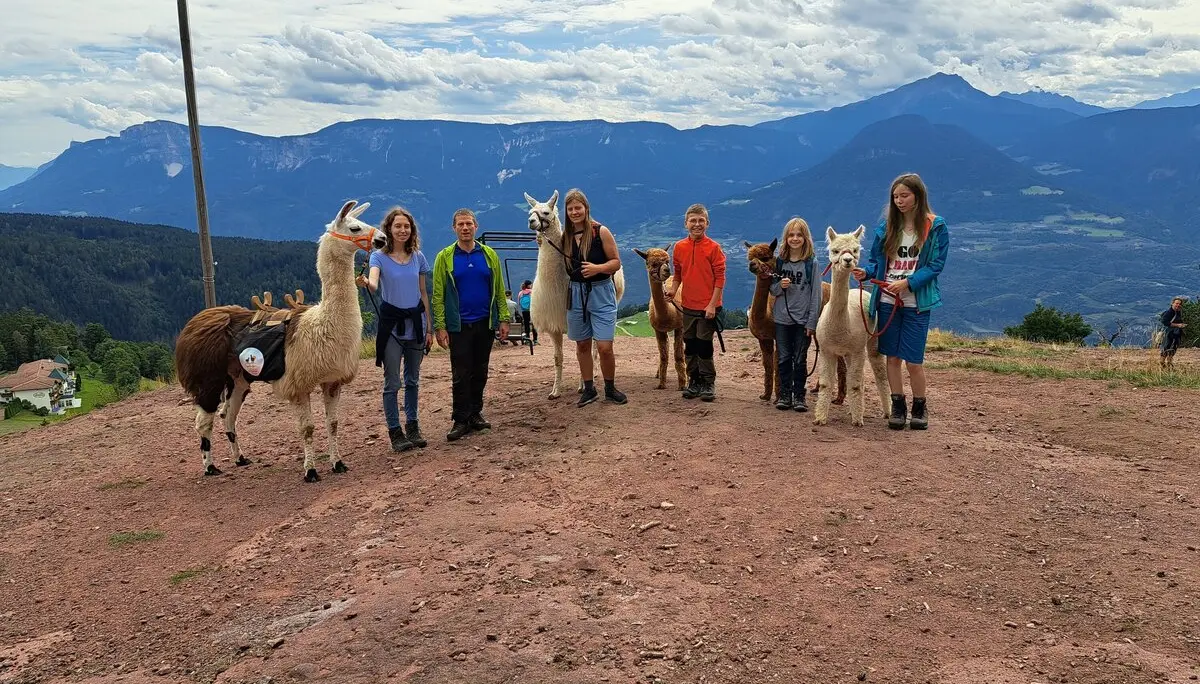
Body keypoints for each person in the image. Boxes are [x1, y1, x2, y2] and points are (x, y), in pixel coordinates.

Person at [852, 172, 949, 430]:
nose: (899, 201)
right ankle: (898, 406)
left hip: (916, 301)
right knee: (892, 357)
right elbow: (877, 262)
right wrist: (867, 273)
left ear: (918, 196)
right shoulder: (887, 229)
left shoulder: (935, 226)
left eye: (904, 195)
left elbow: (936, 264)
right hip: (886, 300)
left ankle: (920, 406)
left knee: (914, 360)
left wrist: (908, 283)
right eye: (895, 196)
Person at [355, 206, 432, 452]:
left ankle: (413, 425)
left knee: (413, 379)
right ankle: (395, 431)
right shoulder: (378, 257)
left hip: (416, 324)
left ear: (412, 230)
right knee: (392, 382)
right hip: (392, 327)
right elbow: (375, 283)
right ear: (389, 229)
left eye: (406, 226)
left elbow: (423, 292)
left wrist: (429, 326)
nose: (402, 230)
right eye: (397, 226)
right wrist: (367, 281)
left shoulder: (418, 257)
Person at [431, 209, 510, 441]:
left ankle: (476, 412)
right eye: (460, 224)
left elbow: (498, 288)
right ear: (453, 228)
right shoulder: (444, 257)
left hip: (484, 323)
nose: (465, 228)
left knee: (480, 371)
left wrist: (503, 318)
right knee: (461, 373)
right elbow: (438, 294)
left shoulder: (488, 255)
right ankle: (460, 418)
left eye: (469, 224)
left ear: (476, 226)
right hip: (459, 325)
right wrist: (440, 325)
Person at [561, 188, 627, 406]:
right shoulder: (566, 237)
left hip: (601, 291)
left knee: (604, 346)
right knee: (582, 344)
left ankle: (610, 387)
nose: (574, 212)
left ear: (586, 208)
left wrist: (598, 268)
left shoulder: (601, 232)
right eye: (570, 209)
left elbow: (615, 262)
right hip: (576, 293)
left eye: (577, 208)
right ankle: (589, 388)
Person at [664, 203, 726, 402]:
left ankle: (708, 382)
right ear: (686, 224)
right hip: (688, 306)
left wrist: (712, 305)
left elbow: (720, 279)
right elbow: (678, 274)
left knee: (704, 344)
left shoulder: (714, 248)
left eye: (701, 221)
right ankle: (694, 380)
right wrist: (673, 291)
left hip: (708, 308)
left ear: (707, 223)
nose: (697, 224)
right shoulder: (680, 247)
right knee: (689, 344)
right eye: (693, 221)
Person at [770, 217, 822, 412]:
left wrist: (812, 322)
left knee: (800, 358)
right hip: (782, 318)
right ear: (786, 237)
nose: (795, 238)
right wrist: (778, 286)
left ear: (805, 238)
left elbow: (816, 293)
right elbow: (772, 290)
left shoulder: (811, 263)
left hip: (802, 320)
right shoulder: (781, 262)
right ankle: (785, 394)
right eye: (791, 235)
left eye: (799, 235)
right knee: (784, 357)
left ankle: (799, 395)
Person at [1160, 297, 1186, 370]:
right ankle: (1162, 362)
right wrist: (1178, 325)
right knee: (1167, 346)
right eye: (1176, 303)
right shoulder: (1169, 312)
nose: (1178, 305)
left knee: (1173, 347)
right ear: (1172, 303)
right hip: (1169, 333)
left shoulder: (1177, 312)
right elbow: (1164, 322)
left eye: (1179, 304)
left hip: (1176, 333)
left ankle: (1169, 363)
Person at [518, 280, 536, 344]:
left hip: (524, 311)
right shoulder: (532, 292)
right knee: (534, 324)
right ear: (528, 285)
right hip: (532, 310)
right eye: (531, 284)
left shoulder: (520, 293)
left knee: (526, 324)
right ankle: (535, 340)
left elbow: (519, 303)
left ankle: (527, 339)